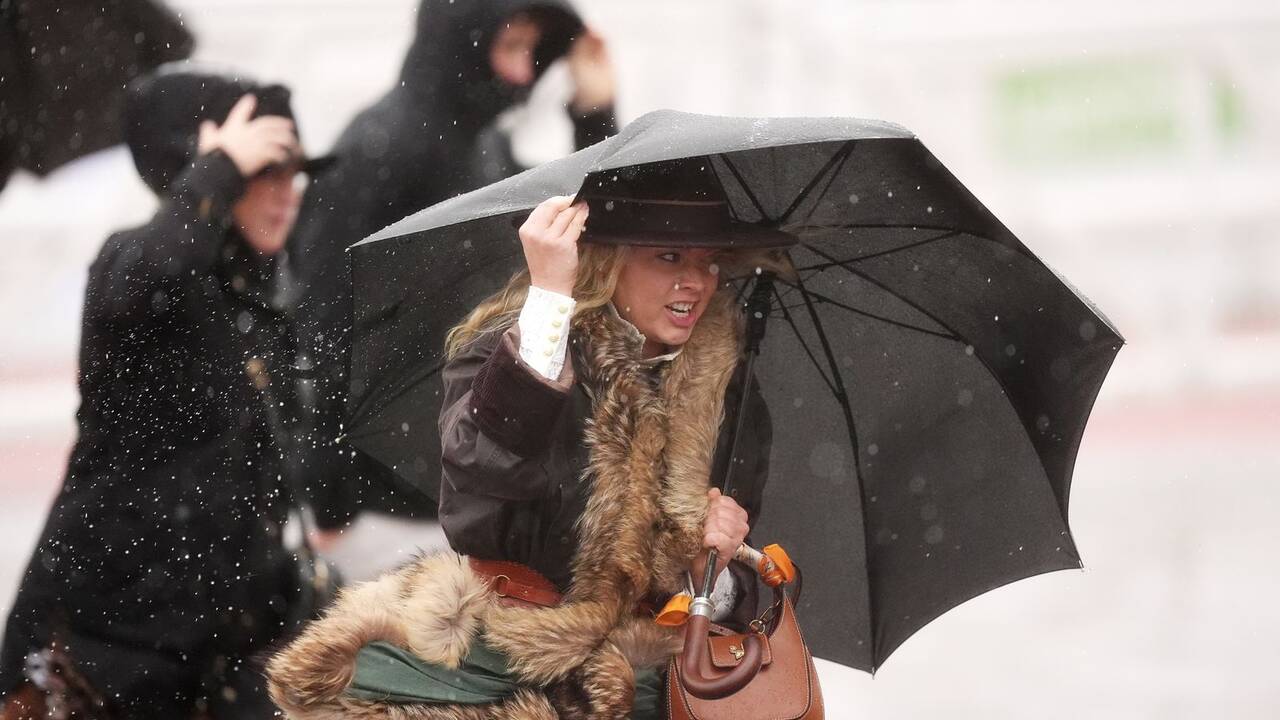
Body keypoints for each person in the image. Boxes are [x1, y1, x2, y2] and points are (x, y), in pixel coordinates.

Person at [266, 165, 796, 718]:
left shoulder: (731, 396)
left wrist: (715, 569)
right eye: (669, 257)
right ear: (606, 260)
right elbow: (479, 475)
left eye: (709, 261)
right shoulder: (519, 351)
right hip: (495, 664)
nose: (696, 281)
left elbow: (730, 590)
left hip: (638, 681)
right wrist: (550, 297)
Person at [0, 69, 333, 718]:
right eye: (264, 173)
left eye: (294, 173)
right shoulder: (132, 264)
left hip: (217, 653)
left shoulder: (258, 295)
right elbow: (150, 275)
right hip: (102, 651)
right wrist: (218, 170)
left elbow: (254, 476)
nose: (287, 193)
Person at [288, 0, 619, 528]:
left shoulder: (483, 143)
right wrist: (330, 502)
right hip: (380, 503)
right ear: (461, 40)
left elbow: (576, 225)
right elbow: (321, 322)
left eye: (532, 50)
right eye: (510, 46)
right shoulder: (382, 148)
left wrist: (593, 112)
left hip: (459, 482)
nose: (523, 71)